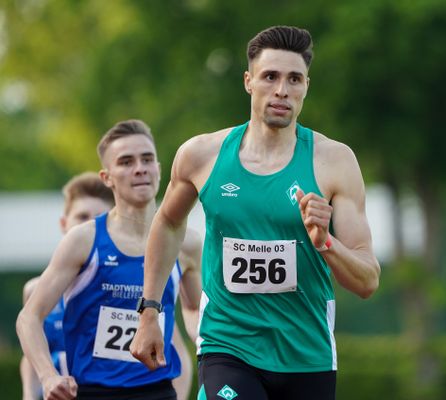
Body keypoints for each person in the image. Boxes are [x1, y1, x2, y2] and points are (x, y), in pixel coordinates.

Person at [131, 25, 381, 400]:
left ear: (306, 86)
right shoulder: (202, 156)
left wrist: (325, 242)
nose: (282, 89)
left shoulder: (334, 162)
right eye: (270, 76)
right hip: (228, 346)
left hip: (306, 354)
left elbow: (367, 281)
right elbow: (168, 222)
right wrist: (149, 310)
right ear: (249, 81)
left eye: (294, 79)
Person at [16, 119, 202, 400]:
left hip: (157, 390)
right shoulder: (84, 240)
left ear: (159, 169)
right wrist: (48, 376)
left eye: (147, 159)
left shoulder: (186, 242)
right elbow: (28, 318)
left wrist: (206, 346)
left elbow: (194, 309)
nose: (139, 168)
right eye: (126, 162)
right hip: (93, 391)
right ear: (107, 177)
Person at [20, 172, 114, 400]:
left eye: (99, 218)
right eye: (82, 217)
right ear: (64, 223)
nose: (90, 226)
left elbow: (173, 351)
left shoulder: (127, 288)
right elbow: (31, 353)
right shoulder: (36, 290)